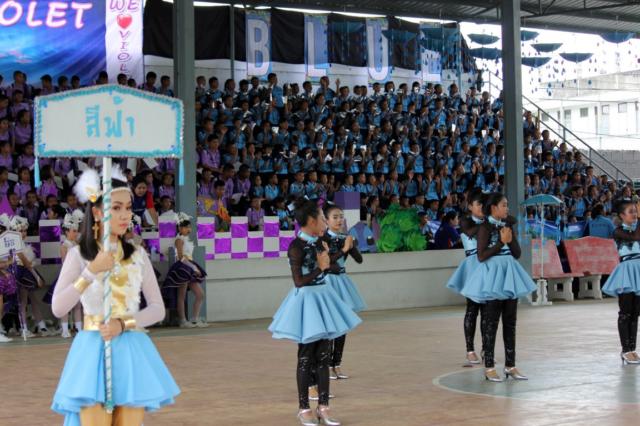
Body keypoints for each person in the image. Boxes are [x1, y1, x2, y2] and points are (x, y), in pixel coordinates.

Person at [51, 167, 180, 425]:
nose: (125, 215)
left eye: (128, 208)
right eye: (116, 208)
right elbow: (58, 307)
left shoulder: (138, 255)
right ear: (98, 212)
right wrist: (90, 272)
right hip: (91, 350)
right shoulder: (79, 255)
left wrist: (123, 323)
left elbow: (157, 308)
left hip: (131, 349)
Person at [268, 199, 361, 426]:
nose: (325, 223)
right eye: (322, 219)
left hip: (324, 297)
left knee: (323, 356)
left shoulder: (321, 242)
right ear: (311, 221)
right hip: (306, 301)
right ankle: (303, 409)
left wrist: (334, 258)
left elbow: (332, 267)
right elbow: (299, 281)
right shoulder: (296, 246)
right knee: (305, 357)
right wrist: (321, 266)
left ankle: (324, 407)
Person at [462, 193, 536, 382]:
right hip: (492, 277)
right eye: (504, 205)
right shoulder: (484, 228)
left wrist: (509, 239)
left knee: (510, 322)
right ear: (493, 207)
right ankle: (489, 367)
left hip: (509, 274)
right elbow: (481, 256)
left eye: (507, 205)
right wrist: (501, 242)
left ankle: (511, 365)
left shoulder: (507, 225)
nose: (507, 208)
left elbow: (517, 253)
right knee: (491, 323)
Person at [321, 204, 366, 381]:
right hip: (327, 281)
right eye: (335, 217)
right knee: (329, 325)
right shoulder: (322, 238)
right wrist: (344, 249)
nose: (339, 220)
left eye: (341, 216)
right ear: (326, 220)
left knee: (343, 325)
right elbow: (327, 263)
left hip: (342, 282)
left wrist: (352, 245)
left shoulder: (345, 238)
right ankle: (326, 366)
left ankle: (337, 364)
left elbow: (359, 260)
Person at [445, 189, 485, 365]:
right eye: (478, 204)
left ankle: (486, 347)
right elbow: (474, 234)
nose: (482, 207)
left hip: (487, 265)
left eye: (484, 204)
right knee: (472, 309)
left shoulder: (488, 222)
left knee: (488, 311)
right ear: (470, 206)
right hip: (473, 266)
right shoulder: (465, 221)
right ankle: (470, 350)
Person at [602, 199, 640, 364]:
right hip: (626, 272)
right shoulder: (617, 231)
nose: (635, 214)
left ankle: (632, 349)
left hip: (638, 271)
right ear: (622, 215)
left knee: (635, 313)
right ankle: (625, 350)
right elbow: (635, 237)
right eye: (631, 211)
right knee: (625, 312)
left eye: (635, 211)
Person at [42, 210, 85, 338]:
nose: (76, 233)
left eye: (76, 231)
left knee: (77, 305)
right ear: (66, 232)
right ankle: (65, 329)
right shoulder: (64, 246)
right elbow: (66, 263)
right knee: (66, 304)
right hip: (67, 277)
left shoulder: (78, 245)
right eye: (73, 231)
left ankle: (79, 329)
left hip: (78, 277)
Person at [162, 212, 208, 328]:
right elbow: (180, 257)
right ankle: (182, 320)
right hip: (183, 267)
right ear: (179, 228)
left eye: (189, 227)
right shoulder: (179, 240)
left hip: (189, 266)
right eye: (186, 227)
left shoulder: (186, 239)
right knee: (181, 295)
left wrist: (193, 267)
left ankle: (194, 319)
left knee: (200, 294)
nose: (189, 229)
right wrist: (193, 267)